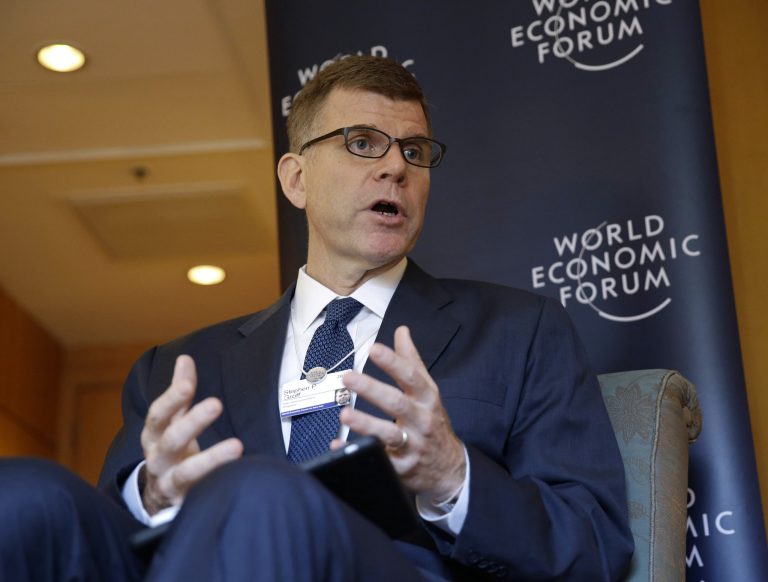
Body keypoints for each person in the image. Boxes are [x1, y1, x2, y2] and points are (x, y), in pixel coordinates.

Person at [0, 56, 632, 581]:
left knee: (257, 492)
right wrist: (156, 496)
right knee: (24, 497)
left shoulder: (519, 331)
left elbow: (596, 546)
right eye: (362, 144)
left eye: (414, 150)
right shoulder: (181, 367)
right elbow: (101, 545)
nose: (396, 167)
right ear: (296, 178)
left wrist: (451, 478)